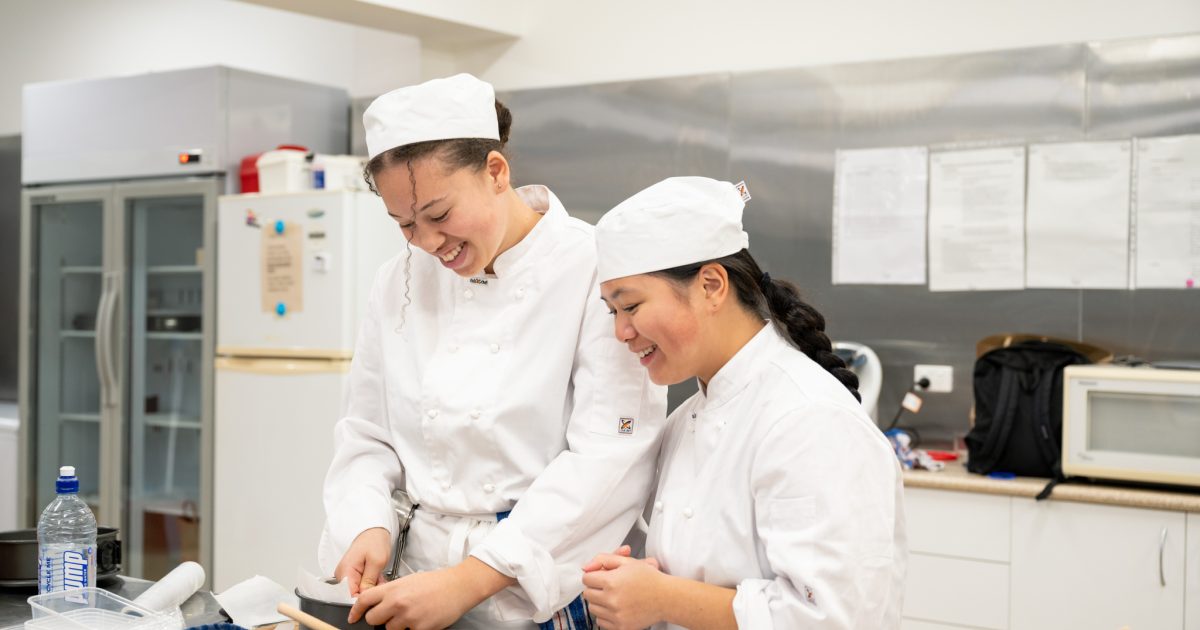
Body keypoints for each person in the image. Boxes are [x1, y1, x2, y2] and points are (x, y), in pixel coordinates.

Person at [318, 74, 667, 630]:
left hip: (541, 589)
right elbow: (366, 431)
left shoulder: (592, 268)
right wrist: (367, 523)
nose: (428, 243)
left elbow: (608, 459)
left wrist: (470, 579)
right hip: (418, 580)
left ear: (496, 173)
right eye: (404, 224)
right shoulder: (398, 280)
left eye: (438, 214)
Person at [581, 177, 906, 629]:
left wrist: (662, 599)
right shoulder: (684, 421)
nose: (621, 332)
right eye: (612, 312)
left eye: (631, 306)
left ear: (712, 285)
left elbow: (831, 617)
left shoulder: (809, 419)